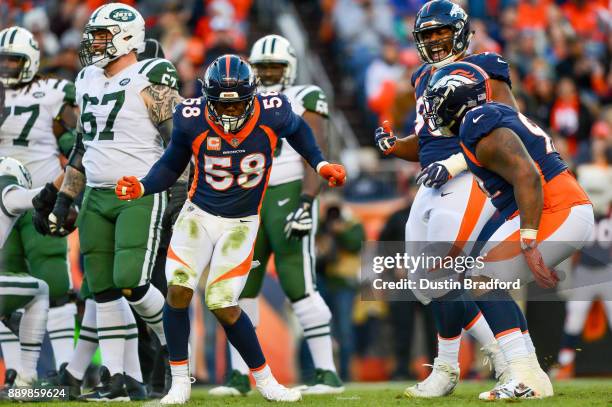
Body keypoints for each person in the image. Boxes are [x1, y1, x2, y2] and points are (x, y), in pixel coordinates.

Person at [115, 54, 346, 404]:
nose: (230, 113)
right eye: (222, 105)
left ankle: (266, 380)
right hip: (198, 216)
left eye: (238, 105)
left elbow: (301, 131)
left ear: (252, 96)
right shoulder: (191, 117)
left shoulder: (274, 110)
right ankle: (180, 383)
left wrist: (321, 162)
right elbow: (171, 163)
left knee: (222, 302)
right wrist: (144, 185)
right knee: (178, 290)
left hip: (241, 223)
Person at [35, 3, 180, 400]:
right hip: (96, 193)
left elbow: (179, 142)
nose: (93, 43)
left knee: (132, 282)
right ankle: (121, 377)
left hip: (138, 190)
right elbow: (83, 146)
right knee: (103, 291)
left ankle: (174, 347)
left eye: (101, 36)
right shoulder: (86, 78)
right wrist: (66, 199)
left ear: (128, 37)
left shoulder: (152, 74)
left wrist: (180, 196)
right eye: (93, 35)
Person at [423, 61, 593, 399]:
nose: (434, 111)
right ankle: (531, 375)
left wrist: (528, 240)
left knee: (483, 279)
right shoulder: (486, 118)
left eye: (439, 101)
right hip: (551, 207)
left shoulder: (476, 120)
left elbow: (528, 176)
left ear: (458, 102)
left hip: (555, 208)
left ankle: (525, 374)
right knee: (482, 276)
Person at [374, 0, 509, 398]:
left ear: (462, 31)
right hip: (430, 183)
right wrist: (396, 146)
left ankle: (447, 369)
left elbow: (503, 126)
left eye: (441, 31)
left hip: (470, 177)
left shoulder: (485, 66)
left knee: (441, 273)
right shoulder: (421, 77)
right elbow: (428, 141)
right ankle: (500, 353)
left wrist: (455, 163)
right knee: (424, 284)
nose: (434, 40)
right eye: (427, 34)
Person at [209, 34, 343, 397]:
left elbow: (316, 152)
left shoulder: (305, 96)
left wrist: (306, 201)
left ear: (290, 67)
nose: (269, 74)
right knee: (238, 288)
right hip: (246, 195)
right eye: (263, 68)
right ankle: (239, 377)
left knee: (298, 282)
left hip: (287, 190)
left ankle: (326, 372)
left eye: (275, 67)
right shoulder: (238, 98)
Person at [0, 26, 77, 381]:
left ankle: (65, 368)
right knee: (6, 289)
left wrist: (71, 191)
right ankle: (19, 372)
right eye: (3, 60)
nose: (7, 67)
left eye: (14, 60)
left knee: (54, 281)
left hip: (39, 198)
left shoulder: (53, 92)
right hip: (3, 202)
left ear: (30, 61)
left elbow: (73, 144)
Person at [0, 157, 63, 388]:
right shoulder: (7, 190)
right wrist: (66, 180)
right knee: (41, 290)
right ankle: (27, 378)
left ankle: (6, 316)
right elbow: (37, 198)